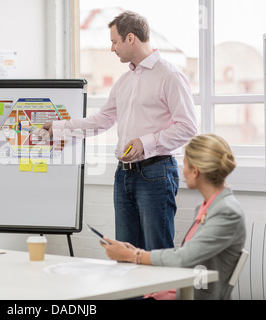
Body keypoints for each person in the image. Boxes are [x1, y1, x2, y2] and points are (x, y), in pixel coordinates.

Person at [38, 11, 197, 250]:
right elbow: (101, 120)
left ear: (130, 38)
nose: (112, 48)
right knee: (124, 252)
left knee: (157, 251)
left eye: (114, 41)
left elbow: (188, 128)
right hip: (123, 175)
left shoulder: (169, 75)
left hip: (156, 173)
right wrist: (58, 128)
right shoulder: (124, 81)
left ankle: (161, 291)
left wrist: (146, 142)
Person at [101, 133, 246, 300]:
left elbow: (184, 258)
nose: (182, 171)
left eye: (184, 164)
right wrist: (135, 252)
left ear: (195, 171)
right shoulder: (208, 207)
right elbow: (189, 254)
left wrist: (133, 256)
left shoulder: (227, 212)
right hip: (185, 290)